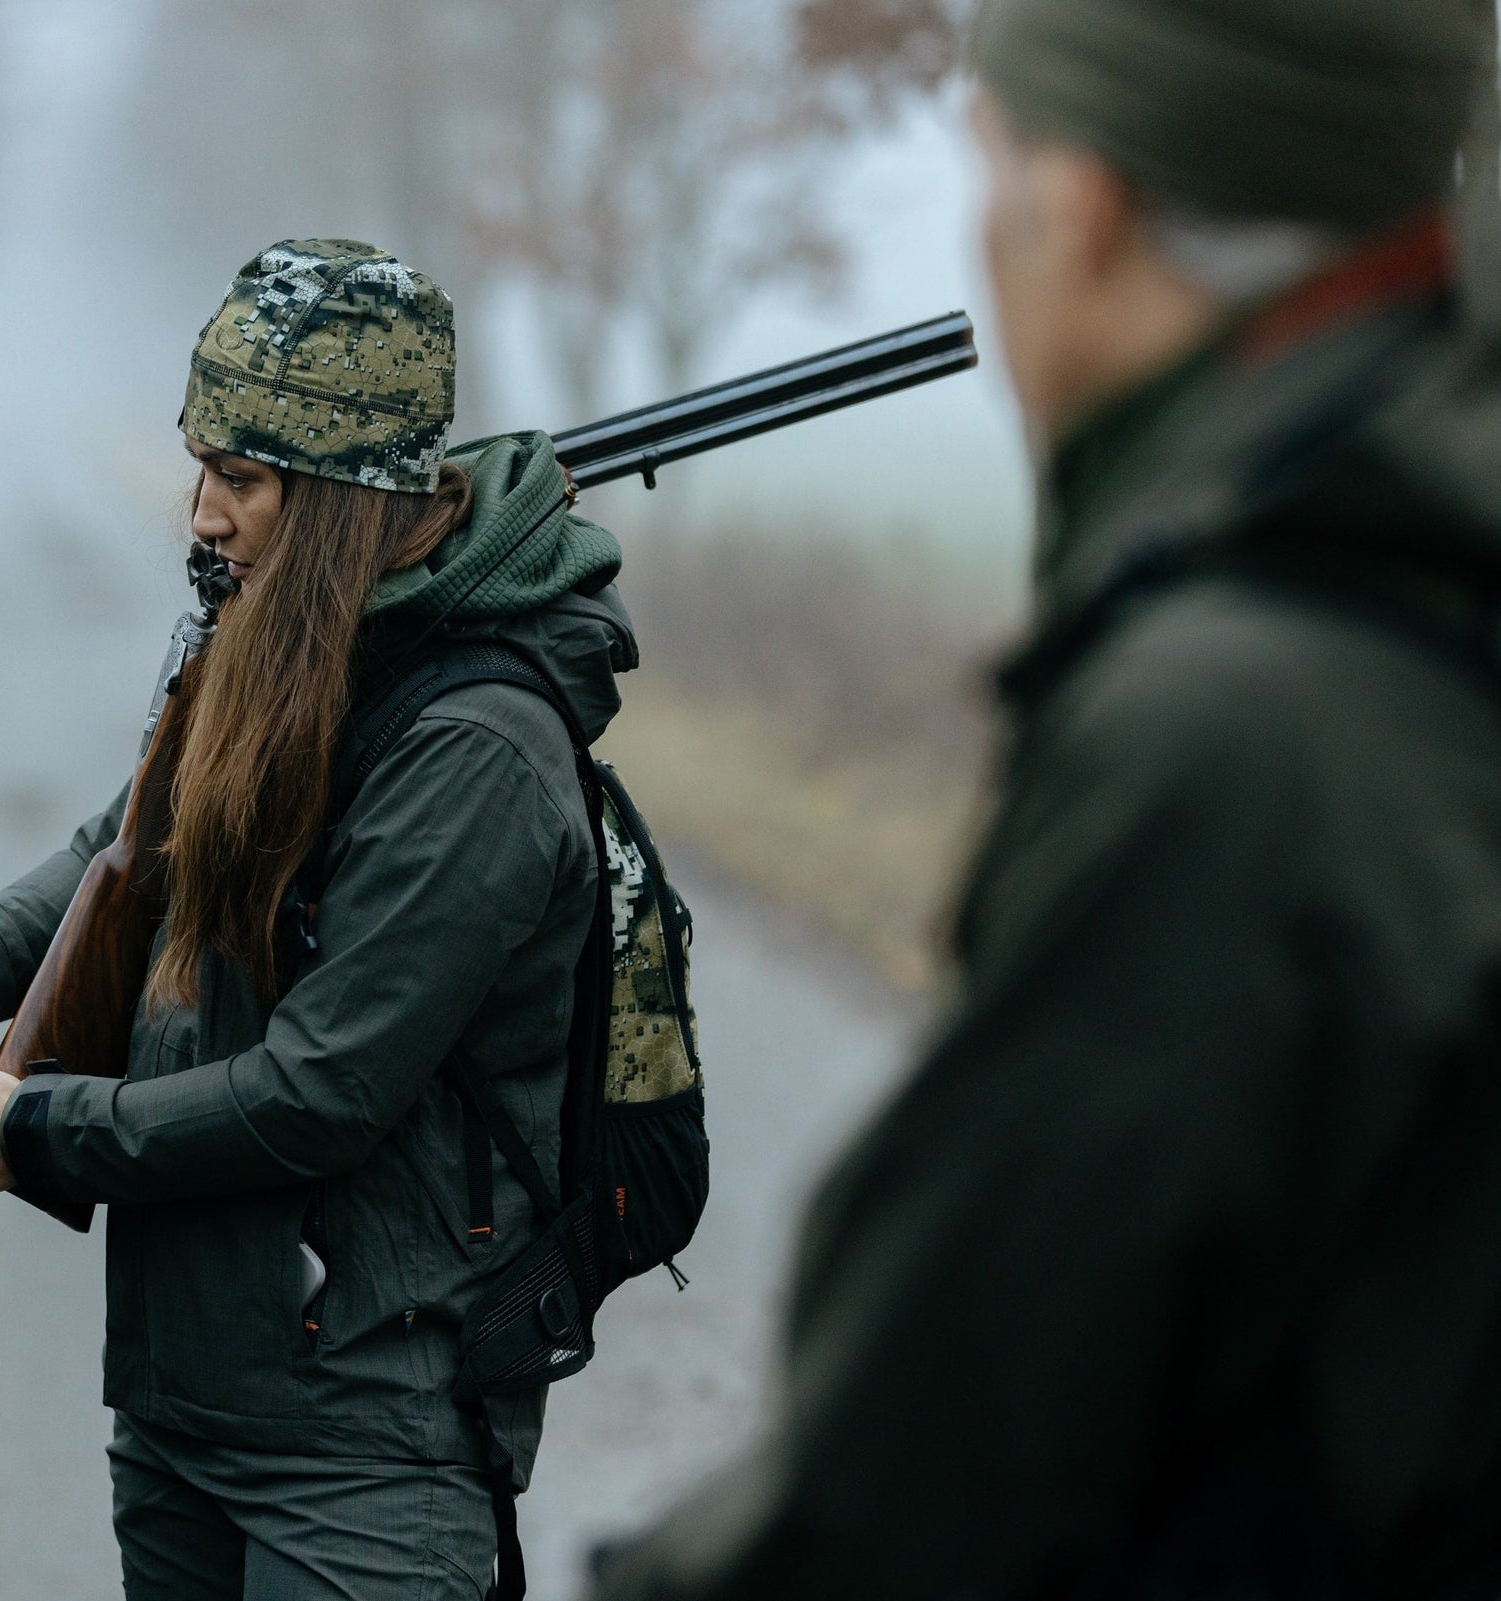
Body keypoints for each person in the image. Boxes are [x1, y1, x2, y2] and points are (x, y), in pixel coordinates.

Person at [589, 1, 1501, 1597]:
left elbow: (909, 1492)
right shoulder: (1423, 594)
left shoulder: (1227, 744)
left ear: (1078, 209)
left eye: (989, 169)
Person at [0, 239, 637, 1600]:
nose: (201, 513)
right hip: (182, 1406)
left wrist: (28, 1130)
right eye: (201, 464)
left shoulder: (477, 751)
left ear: (336, 497)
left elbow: (322, 1090)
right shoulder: (281, 644)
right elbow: (131, 850)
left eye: (241, 478)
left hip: (370, 1447)